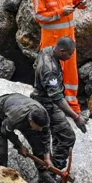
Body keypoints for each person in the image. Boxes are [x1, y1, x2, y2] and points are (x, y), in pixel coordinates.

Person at [32, 0, 87, 114]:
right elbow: (39, 17)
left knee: (70, 73)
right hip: (52, 42)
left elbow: (78, 0)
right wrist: (60, 13)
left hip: (69, 40)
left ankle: (73, 107)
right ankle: (52, 107)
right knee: (51, 73)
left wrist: (82, 1)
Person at [33, 37, 87, 170]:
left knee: (58, 135)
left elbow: (35, 66)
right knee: (68, 137)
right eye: (69, 54)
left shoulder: (47, 50)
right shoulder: (50, 69)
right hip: (46, 104)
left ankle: (52, 162)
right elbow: (56, 97)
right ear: (62, 51)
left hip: (45, 99)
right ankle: (54, 168)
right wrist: (76, 117)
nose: (70, 57)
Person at [0, 92, 56, 183]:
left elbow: (45, 136)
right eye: (38, 127)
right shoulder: (16, 117)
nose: (40, 130)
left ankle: (43, 174)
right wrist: (20, 146)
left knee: (39, 143)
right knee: (0, 149)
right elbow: (5, 131)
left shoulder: (43, 116)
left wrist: (47, 158)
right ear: (31, 122)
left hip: (18, 105)